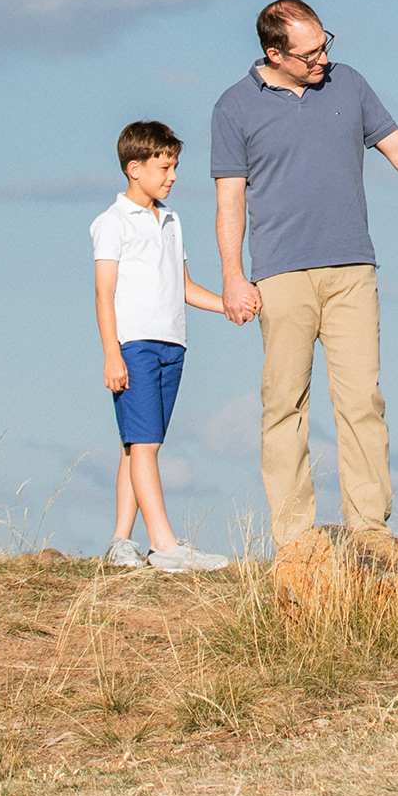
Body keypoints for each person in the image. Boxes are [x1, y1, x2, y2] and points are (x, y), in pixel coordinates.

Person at [211, 0, 398, 541]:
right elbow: (230, 201)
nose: (322, 59)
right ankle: (295, 540)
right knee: (284, 404)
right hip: (280, 274)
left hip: (352, 270)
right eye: (310, 53)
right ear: (275, 53)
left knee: (363, 400)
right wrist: (232, 276)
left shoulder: (350, 84)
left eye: (325, 45)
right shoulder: (234, 107)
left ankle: (369, 532)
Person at [91, 119, 236, 573]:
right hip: (134, 345)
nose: (173, 175)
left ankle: (121, 541)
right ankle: (165, 545)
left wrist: (232, 304)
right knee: (146, 444)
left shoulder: (171, 220)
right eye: (165, 166)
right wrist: (112, 354)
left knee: (136, 446)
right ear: (135, 168)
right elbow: (103, 292)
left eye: (175, 166)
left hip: (174, 343)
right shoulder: (111, 223)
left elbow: (185, 286)